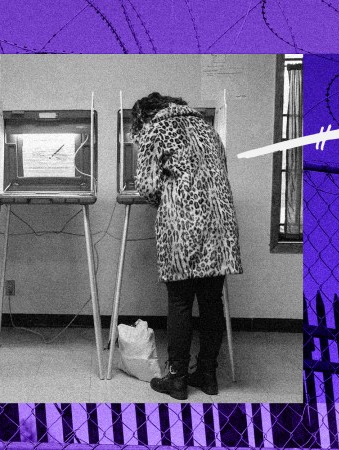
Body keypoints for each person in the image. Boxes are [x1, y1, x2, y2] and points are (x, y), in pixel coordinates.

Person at [131, 92, 243, 400]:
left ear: (145, 115)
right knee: (211, 302)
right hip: (220, 225)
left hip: (182, 226)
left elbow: (148, 186)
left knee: (180, 302)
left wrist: (168, 199)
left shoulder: (155, 129)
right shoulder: (207, 129)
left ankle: (177, 379)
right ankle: (207, 375)